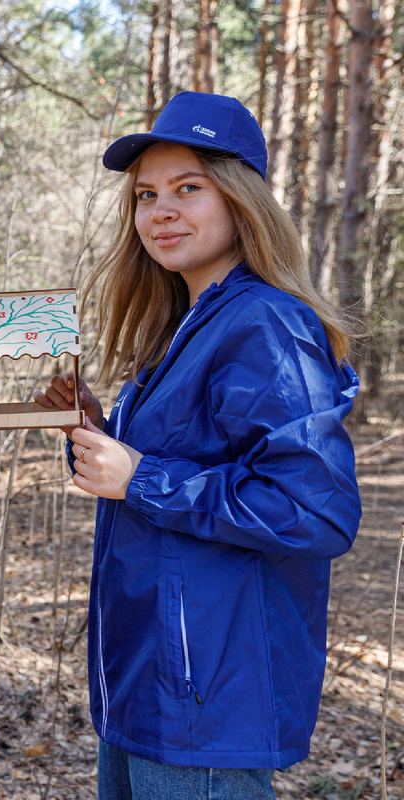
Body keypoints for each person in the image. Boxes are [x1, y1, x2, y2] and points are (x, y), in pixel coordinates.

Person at [34, 91, 361, 799]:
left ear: (242, 199)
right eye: (146, 194)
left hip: (207, 700)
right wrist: (97, 435)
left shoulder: (266, 325)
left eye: (189, 188)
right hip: (145, 690)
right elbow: (182, 469)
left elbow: (315, 511)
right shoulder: (185, 329)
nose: (162, 211)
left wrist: (142, 476)